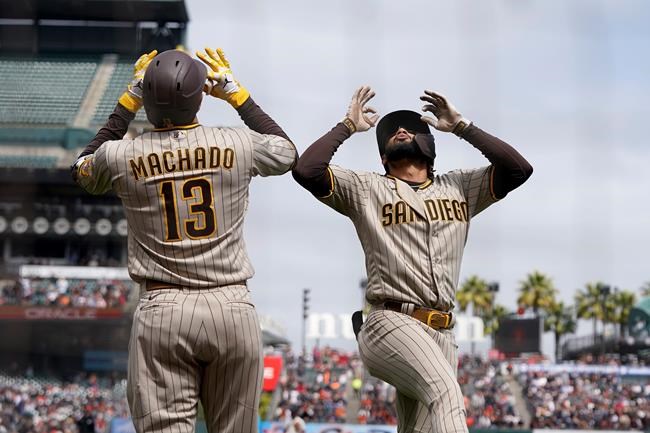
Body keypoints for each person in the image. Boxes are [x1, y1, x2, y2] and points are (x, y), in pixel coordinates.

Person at [71, 48, 297, 433]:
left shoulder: (120, 154)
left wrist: (128, 99)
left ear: (147, 102)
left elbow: (81, 170)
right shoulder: (235, 143)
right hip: (232, 306)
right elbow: (287, 152)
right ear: (198, 98)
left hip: (163, 308)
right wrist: (235, 93)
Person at [292, 86, 532, 433]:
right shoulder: (366, 188)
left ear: (430, 146)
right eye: (390, 132)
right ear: (384, 157)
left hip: (442, 332)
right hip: (389, 320)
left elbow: (518, 169)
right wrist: (346, 125)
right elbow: (307, 170)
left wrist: (464, 126)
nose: (400, 130)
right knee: (446, 392)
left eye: (410, 127)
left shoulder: (460, 187)